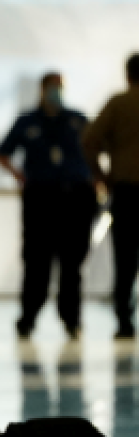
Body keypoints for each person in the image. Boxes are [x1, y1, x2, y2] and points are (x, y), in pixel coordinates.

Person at [0, 72, 97, 339]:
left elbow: (96, 150)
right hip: (41, 198)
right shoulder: (27, 121)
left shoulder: (77, 120)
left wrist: (97, 181)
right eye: (52, 88)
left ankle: (72, 320)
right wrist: (21, 177)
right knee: (36, 261)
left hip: (75, 197)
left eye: (60, 88)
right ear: (42, 90)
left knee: (72, 263)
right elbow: (3, 153)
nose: (56, 93)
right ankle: (28, 318)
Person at [83, 54, 139, 339]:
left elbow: (88, 140)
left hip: (127, 191)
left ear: (128, 75)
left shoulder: (118, 103)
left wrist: (100, 174)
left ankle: (125, 321)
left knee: (126, 260)